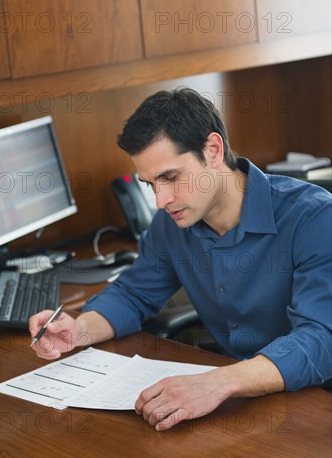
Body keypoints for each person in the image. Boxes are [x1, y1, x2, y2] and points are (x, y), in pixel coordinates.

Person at [30, 87, 332, 431]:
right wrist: (79, 330)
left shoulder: (313, 218)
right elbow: (133, 294)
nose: (161, 200)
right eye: (150, 184)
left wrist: (218, 382)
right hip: (239, 404)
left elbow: (321, 339)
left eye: (170, 178)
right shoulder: (173, 222)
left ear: (213, 150)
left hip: (313, 402)